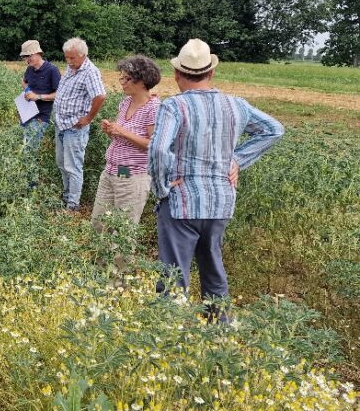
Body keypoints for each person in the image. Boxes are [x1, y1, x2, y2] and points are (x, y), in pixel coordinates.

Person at [148, 38, 284, 321]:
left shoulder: (174, 107)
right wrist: (237, 160)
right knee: (213, 268)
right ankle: (219, 333)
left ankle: (169, 335)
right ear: (211, 72)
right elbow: (274, 130)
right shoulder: (236, 105)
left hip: (182, 200)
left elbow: (159, 148)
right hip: (221, 200)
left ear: (176, 74)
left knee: (174, 273)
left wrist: (161, 188)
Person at [91, 55, 161, 230]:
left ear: (142, 81)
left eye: (126, 78)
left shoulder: (154, 108)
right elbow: (123, 138)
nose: (122, 81)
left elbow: (154, 145)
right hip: (111, 171)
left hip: (133, 176)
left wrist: (122, 131)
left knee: (123, 230)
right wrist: (111, 131)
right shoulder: (125, 103)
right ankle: (99, 259)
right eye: (121, 77)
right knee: (99, 225)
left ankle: (120, 259)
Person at [53, 37, 106, 211]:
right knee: (62, 164)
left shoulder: (90, 72)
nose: (68, 61)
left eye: (72, 58)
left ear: (83, 55)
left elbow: (100, 96)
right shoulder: (71, 68)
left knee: (73, 166)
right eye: (66, 57)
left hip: (75, 128)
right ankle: (67, 195)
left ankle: (72, 205)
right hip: (61, 124)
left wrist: (88, 118)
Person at [20, 40, 61, 152]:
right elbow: (24, 82)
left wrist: (37, 97)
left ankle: (28, 169)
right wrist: (27, 90)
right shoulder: (29, 69)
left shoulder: (52, 70)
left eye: (29, 56)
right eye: (24, 57)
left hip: (41, 116)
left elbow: (59, 95)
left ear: (38, 53)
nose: (26, 60)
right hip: (26, 113)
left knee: (30, 147)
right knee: (21, 144)